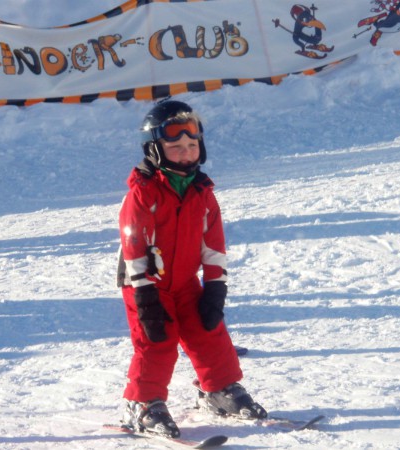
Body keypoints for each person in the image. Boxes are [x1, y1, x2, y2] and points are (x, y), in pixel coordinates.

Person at [116, 100, 267, 438]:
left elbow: (213, 244)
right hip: (146, 284)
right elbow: (134, 245)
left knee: (208, 330)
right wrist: (144, 295)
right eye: (175, 147)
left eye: (191, 145)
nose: (185, 153)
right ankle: (142, 403)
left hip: (184, 281)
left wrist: (215, 287)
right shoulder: (143, 194)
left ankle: (218, 389)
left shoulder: (202, 193)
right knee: (157, 340)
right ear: (155, 150)